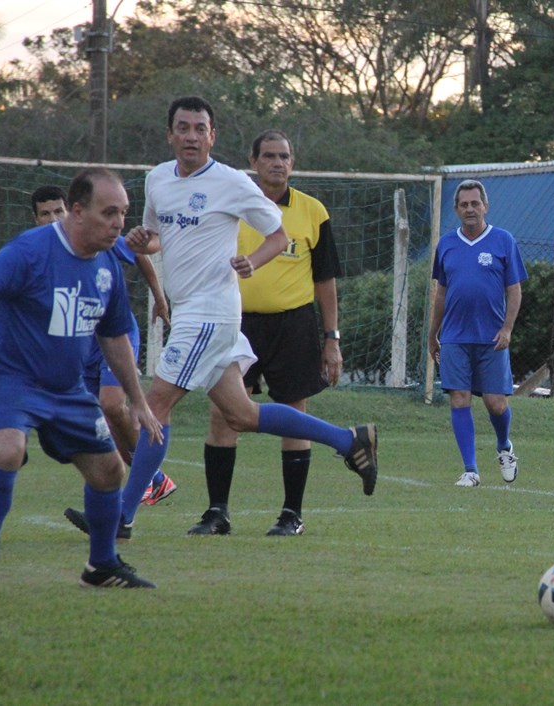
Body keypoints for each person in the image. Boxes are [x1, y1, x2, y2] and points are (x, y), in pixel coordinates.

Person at [62, 96, 377, 541]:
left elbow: (278, 234)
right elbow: (155, 238)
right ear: (170, 134)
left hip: (212, 312)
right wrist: (140, 239)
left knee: (154, 406)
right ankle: (350, 441)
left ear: (213, 136)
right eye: (183, 128)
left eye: (200, 129)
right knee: (243, 414)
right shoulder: (157, 180)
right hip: (191, 311)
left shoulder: (230, 182)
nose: (191, 136)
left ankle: (121, 515)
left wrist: (254, 261)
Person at [0, 168, 161, 589]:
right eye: (109, 212)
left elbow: (114, 335)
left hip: (67, 389)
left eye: (123, 213)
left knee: (110, 471)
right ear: (76, 212)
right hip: (10, 379)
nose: (118, 223)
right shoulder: (30, 252)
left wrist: (138, 400)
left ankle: (102, 565)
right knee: (7, 450)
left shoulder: (108, 264)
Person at [198, 129, 343, 537]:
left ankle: (290, 514)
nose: (277, 163)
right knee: (223, 413)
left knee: (295, 413)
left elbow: (326, 280)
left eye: (284, 156)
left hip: (293, 323)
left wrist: (332, 339)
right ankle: (217, 513)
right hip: (235, 320)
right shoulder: (236, 204)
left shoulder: (313, 211)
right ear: (254, 161)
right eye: (269, 156)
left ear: (292, 162)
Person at [32, 186, 178, 506]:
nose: (53, 218)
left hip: (117, 337)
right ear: (36, 219)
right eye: (46, 213)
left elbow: (139, 253)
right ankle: (151, 481)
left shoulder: (100, 240)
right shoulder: (38, 253)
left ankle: (149, 478)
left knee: (112, 405)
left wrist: (160, 297)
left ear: (74, 212)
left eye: (59, 211)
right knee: (100, 419)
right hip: (82, 345)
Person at [428, 179, 526, 487]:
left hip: (492, 338)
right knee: (459, 398)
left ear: (485, 206)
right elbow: (441, 293)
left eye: (475, 203)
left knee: (496, 403)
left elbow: (515, 290)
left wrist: (507, 329)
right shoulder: (446, 244)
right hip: (455, 337)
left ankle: (504, 446)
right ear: (456, 209)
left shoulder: (503, 240)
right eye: (464, 204)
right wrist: (433, 335)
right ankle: (470, 470)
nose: (470, 209)